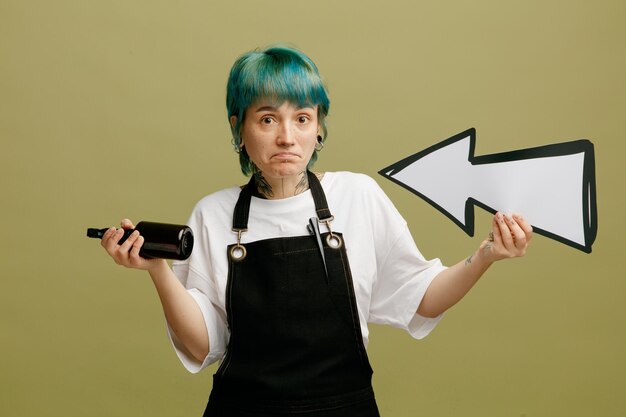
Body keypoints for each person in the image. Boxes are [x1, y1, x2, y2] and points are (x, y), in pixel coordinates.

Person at [100, 45, 532, 416]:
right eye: (268, 119)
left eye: (302, 119)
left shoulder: (359, 196)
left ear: (319, 128)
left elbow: (423, 296)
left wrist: (486, 255)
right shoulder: (213, 215)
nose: (287, 137)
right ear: (238, 127)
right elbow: (199, 347)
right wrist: (157, 268)